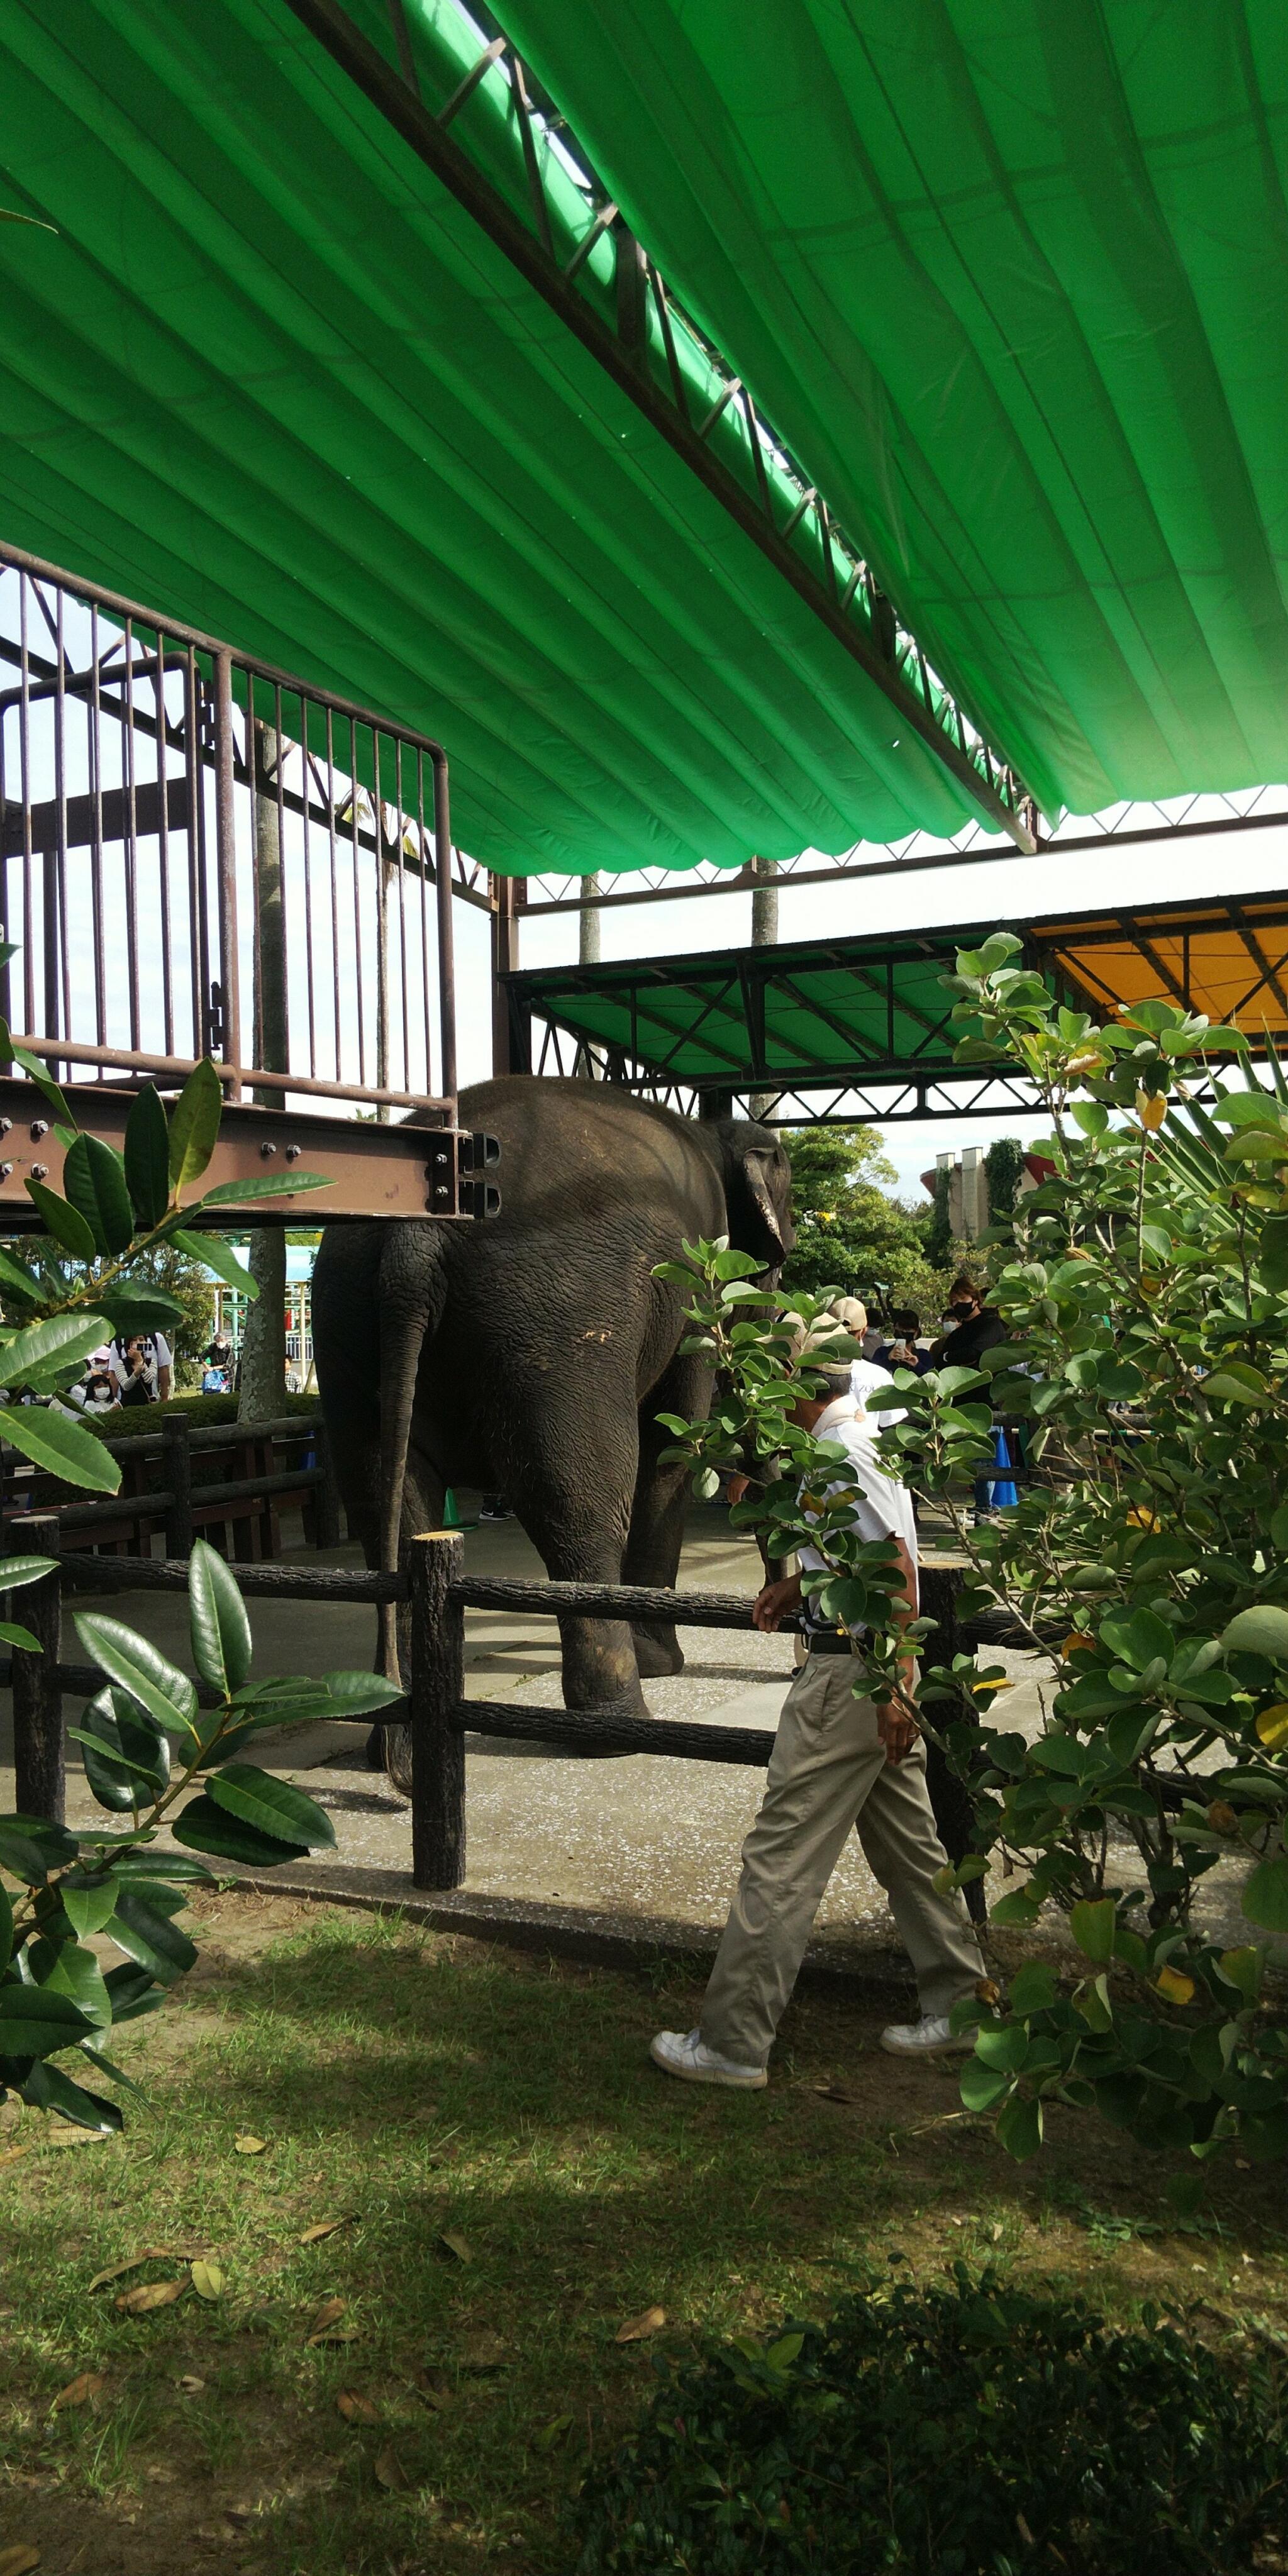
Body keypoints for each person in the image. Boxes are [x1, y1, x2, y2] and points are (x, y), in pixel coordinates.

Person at [650, 1353, 985, 2090]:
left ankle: (733, 2041)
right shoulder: (861, 1442)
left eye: (773, 1405)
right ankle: (962, 2005)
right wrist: (803, 1580)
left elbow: (895, 1567)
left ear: (805, 1397)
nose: (766, 1423)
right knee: (911, 1850)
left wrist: (890, 1684)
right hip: (869, 1669)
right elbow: (870, 1550)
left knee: (781, 1855)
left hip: (851, 1674)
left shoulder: (837, 1452)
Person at [930, 1277, 1005, 1372]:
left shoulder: (991, 1324)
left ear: (975, 1300)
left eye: (963, 1298)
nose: (959, 1303)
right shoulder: (957, 1333)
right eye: (955, 1300)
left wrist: (948, 1356)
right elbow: (940, 1364)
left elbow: (974, 1352)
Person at [108, 1329, 172, 1405]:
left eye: (141, 1340)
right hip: (126, 1402)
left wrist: (165, 1397)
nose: (138, 1343)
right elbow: (116, 1377)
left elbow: (160, 1371)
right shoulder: (118, 1345)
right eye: (134, 1340)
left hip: (151, 1399)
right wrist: (113, 1400)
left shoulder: (156, 1339)